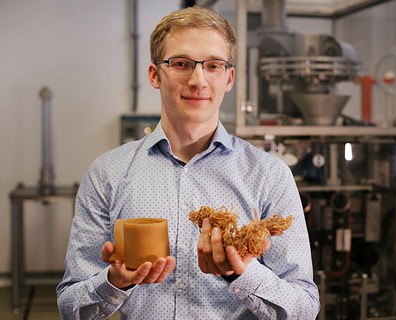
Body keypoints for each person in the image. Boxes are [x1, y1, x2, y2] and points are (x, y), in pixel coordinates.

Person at [56, 6, 320, 320]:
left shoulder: (269, 175)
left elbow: (304, 307)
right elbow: (70, 306)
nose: (198, 80)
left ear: (229, 77)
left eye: (213, 65)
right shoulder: (108, 173)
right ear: (155, 74)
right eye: (181, 64)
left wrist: (242, 274)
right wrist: (114, 282)